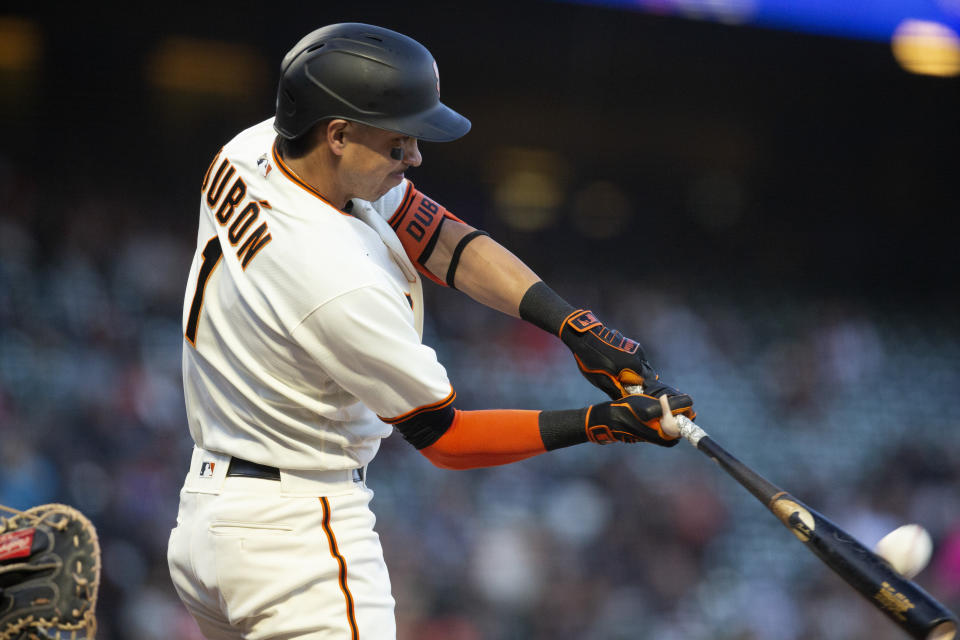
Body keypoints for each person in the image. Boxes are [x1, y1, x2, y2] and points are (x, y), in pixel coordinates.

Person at [166, 22, 695, 639]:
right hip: (296, 541)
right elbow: (447, 438)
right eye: (399, 144)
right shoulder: (339, 280)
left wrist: (574, 326)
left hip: (208, 521)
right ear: (337, 134)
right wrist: (601, 425)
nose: (415, 157)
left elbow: (434, 233)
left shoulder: (256, 150)